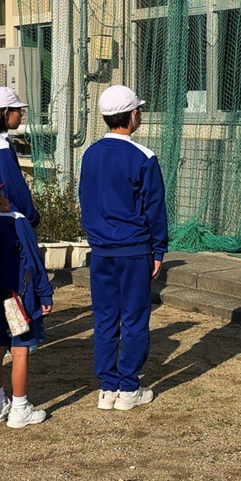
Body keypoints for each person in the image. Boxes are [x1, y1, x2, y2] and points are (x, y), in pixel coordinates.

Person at [78, 85, 168, 412]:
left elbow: (85, 197)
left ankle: (107, 388)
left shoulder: (90, 154)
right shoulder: (143, 156)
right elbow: (154, 208)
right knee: (134, 318)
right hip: (134, 248)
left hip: (101, 249)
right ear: (132, 115)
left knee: (105, 318)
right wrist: (159, 250)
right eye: (138, 110)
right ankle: (128, 386)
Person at [0, 181, 53, 429]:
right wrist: (45, 293)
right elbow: (33, 259)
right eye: (1, 193)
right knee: (20, 350)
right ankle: (20, 407)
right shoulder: (17, 220)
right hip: (21, 298)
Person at [0, 86, 39, 227]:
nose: (21, 116)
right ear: (6, 113)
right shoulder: (1, 147)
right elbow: (14, 187)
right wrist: (31, 216)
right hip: (9, 218)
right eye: (19, 111)